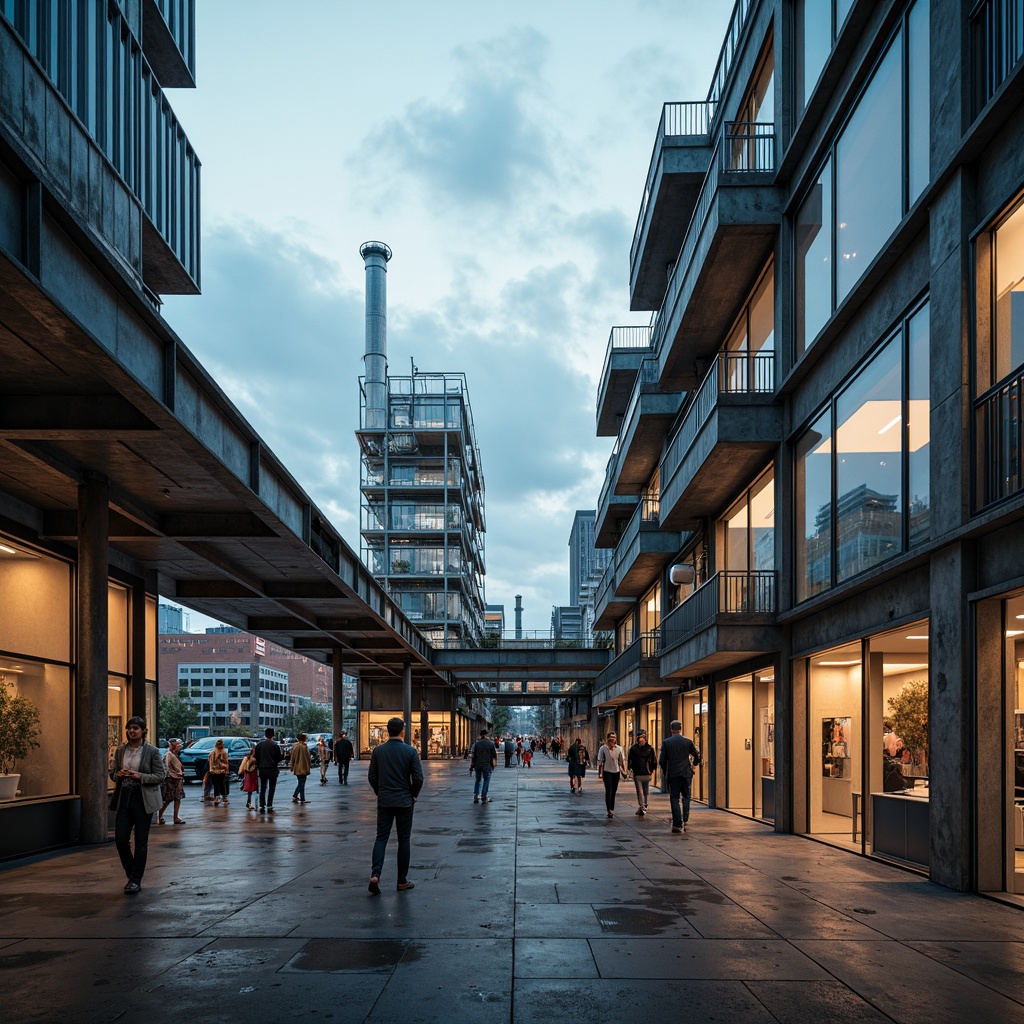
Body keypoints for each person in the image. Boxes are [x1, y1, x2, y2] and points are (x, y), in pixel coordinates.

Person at [109, 715, 166, 894]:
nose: (131, 731)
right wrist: (118, 774)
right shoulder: (120, 751)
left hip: (143, 798)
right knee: (120, 840)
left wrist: (140, 776)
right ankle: (132, 872)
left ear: (143, 732)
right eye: (129, 728)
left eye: (135, 728)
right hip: (124, 796)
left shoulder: (152, 751)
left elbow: (160, 776)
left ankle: (135, 880)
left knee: (141, 841)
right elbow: (112, 773)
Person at [367, 717, 424, 894]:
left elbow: (372, 777)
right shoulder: (410, 751)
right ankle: (401, 880)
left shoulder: (378, 751)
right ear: (402, 731)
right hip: (404, 801)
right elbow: (419, 778)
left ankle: (375, 874)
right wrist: (413, 795)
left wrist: (380, 792)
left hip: (385, 800)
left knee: (381, 838)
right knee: (404, 839)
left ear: (387, 731)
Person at [659, 720, 701, 833]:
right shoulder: (687, 742)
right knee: (686, 797)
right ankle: (686, 820)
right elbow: (697, 756)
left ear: (671, 729)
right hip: (686, 773)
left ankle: (677, 824)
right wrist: (693, 766)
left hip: (673, 774)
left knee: (674, 798)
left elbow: (662, 760)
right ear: (681, 729)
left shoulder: (666, 742)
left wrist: (665, 771)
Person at [596, 730, 627, 818]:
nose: (613, 740)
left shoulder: (619, 748)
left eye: (614, 738)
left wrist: (624, 771)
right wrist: (600, 773)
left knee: (613, 791)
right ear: (608, 739)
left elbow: (621, 760)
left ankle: (612, 808)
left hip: (616, 772)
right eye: (611, 738)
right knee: (608, 790)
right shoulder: (603, 748)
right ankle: (609, 809)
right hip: (607, 772)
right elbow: (600, 761)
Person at [627, 730, 657, 816]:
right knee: (640, 791)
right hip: (638, 773)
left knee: (645, 790)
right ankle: (642, 805)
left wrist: (652, 771)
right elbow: (630, 760)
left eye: (642, 738)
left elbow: (653, 761)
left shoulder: (649, 749)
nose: (641, 740)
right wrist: (630, 769)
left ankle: (643, 805)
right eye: (640, 738)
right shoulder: (634, 748)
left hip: (646, 772)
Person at [255, 727, 284, 813]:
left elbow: (256, 757)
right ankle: (269, 804)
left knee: (263, 787)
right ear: (273, 735)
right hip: (272, 769)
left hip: (262, 769)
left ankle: (262, 804)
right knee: (272, 787)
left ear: (265, 734)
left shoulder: (259, 745)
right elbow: (279, 758)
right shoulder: (275, 746)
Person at [158, 738, 186, 825]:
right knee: (168, 799)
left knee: (177, 798)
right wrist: (173, 775)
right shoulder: (169, 755)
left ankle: (175, 817)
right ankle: (159, 816)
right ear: (174, 747)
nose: (179, 748)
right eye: (178, 746)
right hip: (172, 779)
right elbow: (166, 767)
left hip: (177, 779)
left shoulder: (174, 755)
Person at [469, 728, 497, 803]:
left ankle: (476, 795)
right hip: (487, 765)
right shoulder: (490, 744)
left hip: (477, 765)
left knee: (478, 780)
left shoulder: (476, 744)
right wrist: (494, 765)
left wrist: (471, 766)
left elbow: (473, 756)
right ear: (486, 735)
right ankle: (484, 796)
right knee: (486, 780)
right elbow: (494, 756)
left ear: (480, 735)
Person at [208, 738, 230, 806]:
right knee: (222, 785)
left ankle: (217, 798)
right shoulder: (222, 752)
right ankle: (223, 798)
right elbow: (226, 762)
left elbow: (210, 762)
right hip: (221, 771)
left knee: (217, 785)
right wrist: (226, 769)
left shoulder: (212, 752)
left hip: (214, 771)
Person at [290, 733, 311, 803]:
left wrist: (292, 766)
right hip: (303, 767)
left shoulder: (295, 747)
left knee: (301, 782)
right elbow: (308, 758)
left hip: (297, 767)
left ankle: (302, 798)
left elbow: (292, 758)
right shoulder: (304, 747)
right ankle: (295, 795)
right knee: (302, 783)